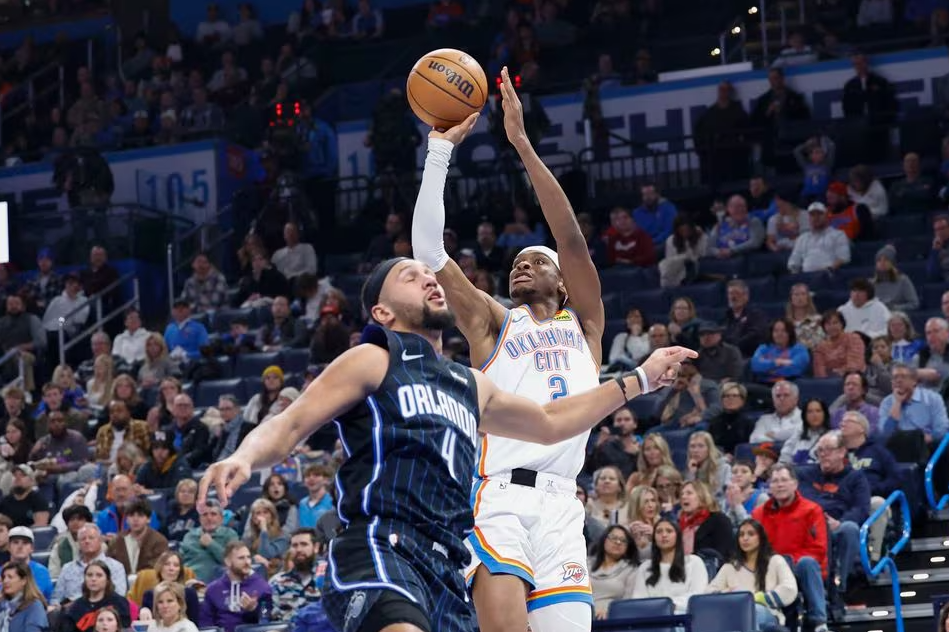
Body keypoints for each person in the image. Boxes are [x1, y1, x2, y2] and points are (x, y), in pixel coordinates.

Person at [198, 256, 694, 632]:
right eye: (410, 277)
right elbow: (289, 424)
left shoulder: (469, 384)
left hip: (446, 561)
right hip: (382, 545)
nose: (429, 279)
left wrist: (639, 379)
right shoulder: (374, 359)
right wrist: (244, 455)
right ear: (382, 311)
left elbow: (550, 422)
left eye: (428, 274)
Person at [410, 66, 610, 632]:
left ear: (563, 282)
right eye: (517, 261)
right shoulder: (494, 321)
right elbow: (428, 249)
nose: (522, 264)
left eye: (537, 261)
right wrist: (439, 152)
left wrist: (521, 143)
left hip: (563, 507)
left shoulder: (587, 325)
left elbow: (569, 237)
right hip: (499, 497)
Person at [707, 519, 798, 630]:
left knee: (750, 611)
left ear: (761, 538)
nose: (745, 538)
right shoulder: (730, 567)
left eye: (751, 534)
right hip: (732, 613)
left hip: (767, 614)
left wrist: (759, 598)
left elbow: (789, 588)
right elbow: (708, 593)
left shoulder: (775, 561)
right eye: (741, 535)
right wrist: (728, 594)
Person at [630, 518, 708, 613]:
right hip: (652, 616)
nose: (664, 535)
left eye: (669, 531)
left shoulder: (694, 562)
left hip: (684, 616)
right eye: (659, 532)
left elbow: (697, 595)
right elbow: (638, 599)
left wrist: (666, 605)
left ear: (678, 536)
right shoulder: (645, 567)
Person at [198, 541, 272, 632]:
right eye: (241, 558)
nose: (247, 562)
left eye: (248, 557)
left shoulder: (263, 587)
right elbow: (205, 624)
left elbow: (266, 620)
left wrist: (253, 610)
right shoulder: (213, 590)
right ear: (228, 562)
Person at [58, 561, 131, 632]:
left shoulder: (119, 602)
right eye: (89, 575)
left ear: (107, 580)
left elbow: (124, 627)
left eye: (99, 575)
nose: (93, 579)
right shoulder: (76, 607)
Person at [588, 526, 638, 620]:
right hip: (584, 614)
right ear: (604, 539)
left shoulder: (631, 569)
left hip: (613, 618)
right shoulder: (587, 563)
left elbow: (628, 601)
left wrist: (610, 612)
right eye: (614, 538)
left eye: (623, 540)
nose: (618, 542)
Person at [0, 561, 48, 632]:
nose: (5, 581)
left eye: (10, 577)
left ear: (24, 581)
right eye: (4, 577)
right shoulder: (2, 604)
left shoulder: (34, 606)